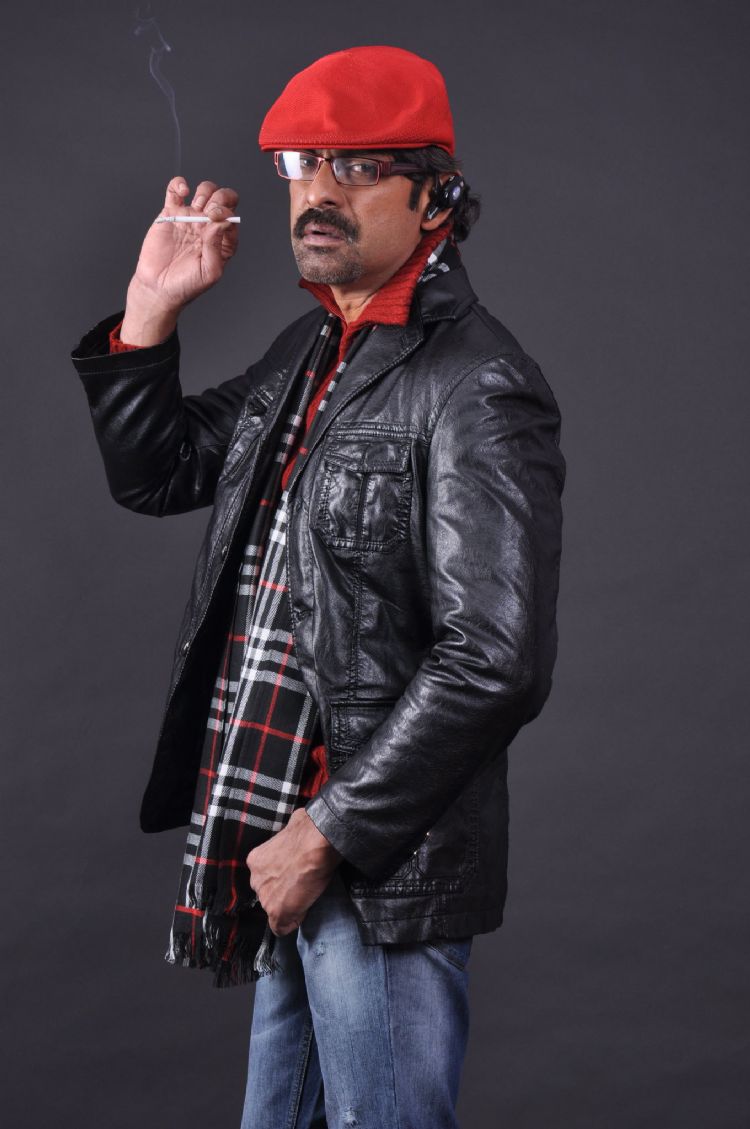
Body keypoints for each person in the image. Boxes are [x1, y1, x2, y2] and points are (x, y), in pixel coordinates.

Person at [71, 45, 565, 1129]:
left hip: (373, 865)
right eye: (302, 164)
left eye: (360, 167)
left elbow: (497, 658)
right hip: (282, 839)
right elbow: (161, 472)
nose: (318, 193)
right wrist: (150, 310)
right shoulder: (314, 350)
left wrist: (326, 832)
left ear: (437, 197)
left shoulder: (478, 383)